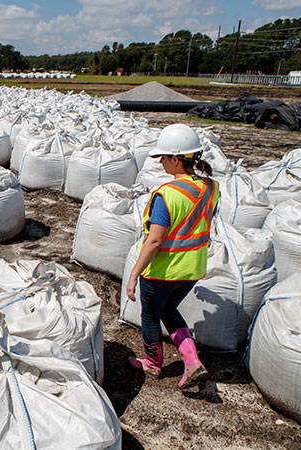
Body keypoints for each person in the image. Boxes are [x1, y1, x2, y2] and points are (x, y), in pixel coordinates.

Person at [125, 123, 220, 389]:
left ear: (177, 159)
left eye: (164, 158)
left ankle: (152, 364)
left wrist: (134, 275)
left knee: (150, 316)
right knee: (168, 308)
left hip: (163, 271)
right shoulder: (211, 188)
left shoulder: (166, 196)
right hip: (193, 268)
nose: (161, 163)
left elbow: (155, 240)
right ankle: (191, 361)